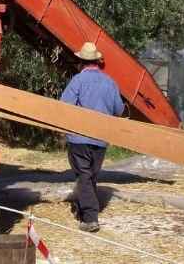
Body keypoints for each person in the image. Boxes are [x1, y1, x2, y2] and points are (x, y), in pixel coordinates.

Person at [59, 42, 125, 232]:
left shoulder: (78, 81)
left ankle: (90, 218)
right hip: (100, 140)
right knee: (90, 176)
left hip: (79, 139)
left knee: (84, 177)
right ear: (97, 61)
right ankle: (83, 210)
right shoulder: (110, 82)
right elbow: (118, 110)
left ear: (81, 61)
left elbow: (64, 106)